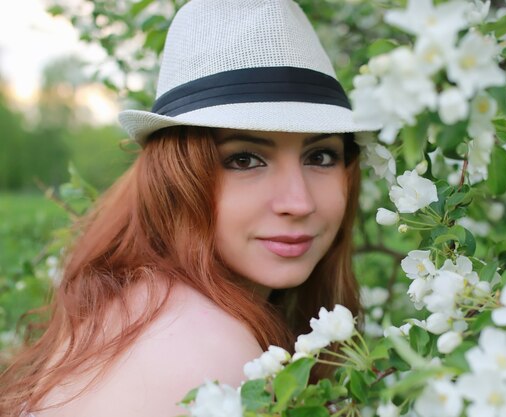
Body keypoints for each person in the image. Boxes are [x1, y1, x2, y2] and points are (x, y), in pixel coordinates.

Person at [0, 0, 378, 416]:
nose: (298, 202)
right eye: (245, 159)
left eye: (320, 157)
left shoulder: (143, 305)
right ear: (177, 177)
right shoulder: (209, 351)